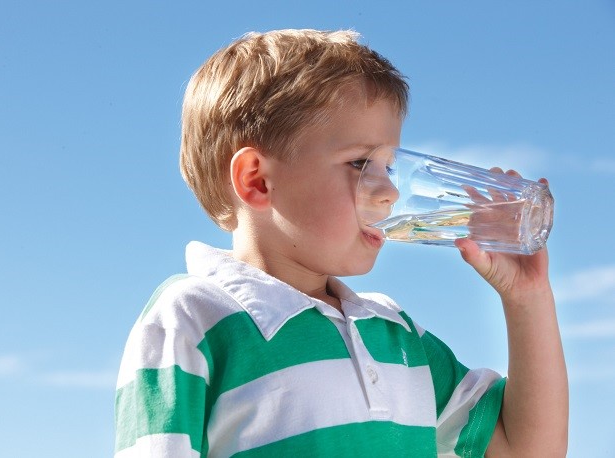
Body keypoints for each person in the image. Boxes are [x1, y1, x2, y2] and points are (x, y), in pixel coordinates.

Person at [114, 29, 568, 457]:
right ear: (257, 180)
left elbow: (526, 448)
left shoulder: (397, 334)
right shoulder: (193, 318)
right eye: (360, 163)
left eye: (390, 167)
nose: (390, 192)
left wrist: (527, 300)